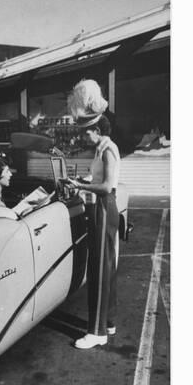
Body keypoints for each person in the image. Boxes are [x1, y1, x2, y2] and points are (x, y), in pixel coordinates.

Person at [67, 81, 121, 350]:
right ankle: (107, 322)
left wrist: (79, 185)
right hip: (104, 206)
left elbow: (106, 187)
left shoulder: (108, 150)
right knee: (106, 267)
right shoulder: (103, 149)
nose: (82, 137)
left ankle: (97, 332)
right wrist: (86, 178)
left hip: (102, 205)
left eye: (85, 133)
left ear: (97, 131)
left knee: (98, 269)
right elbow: (100, 179)